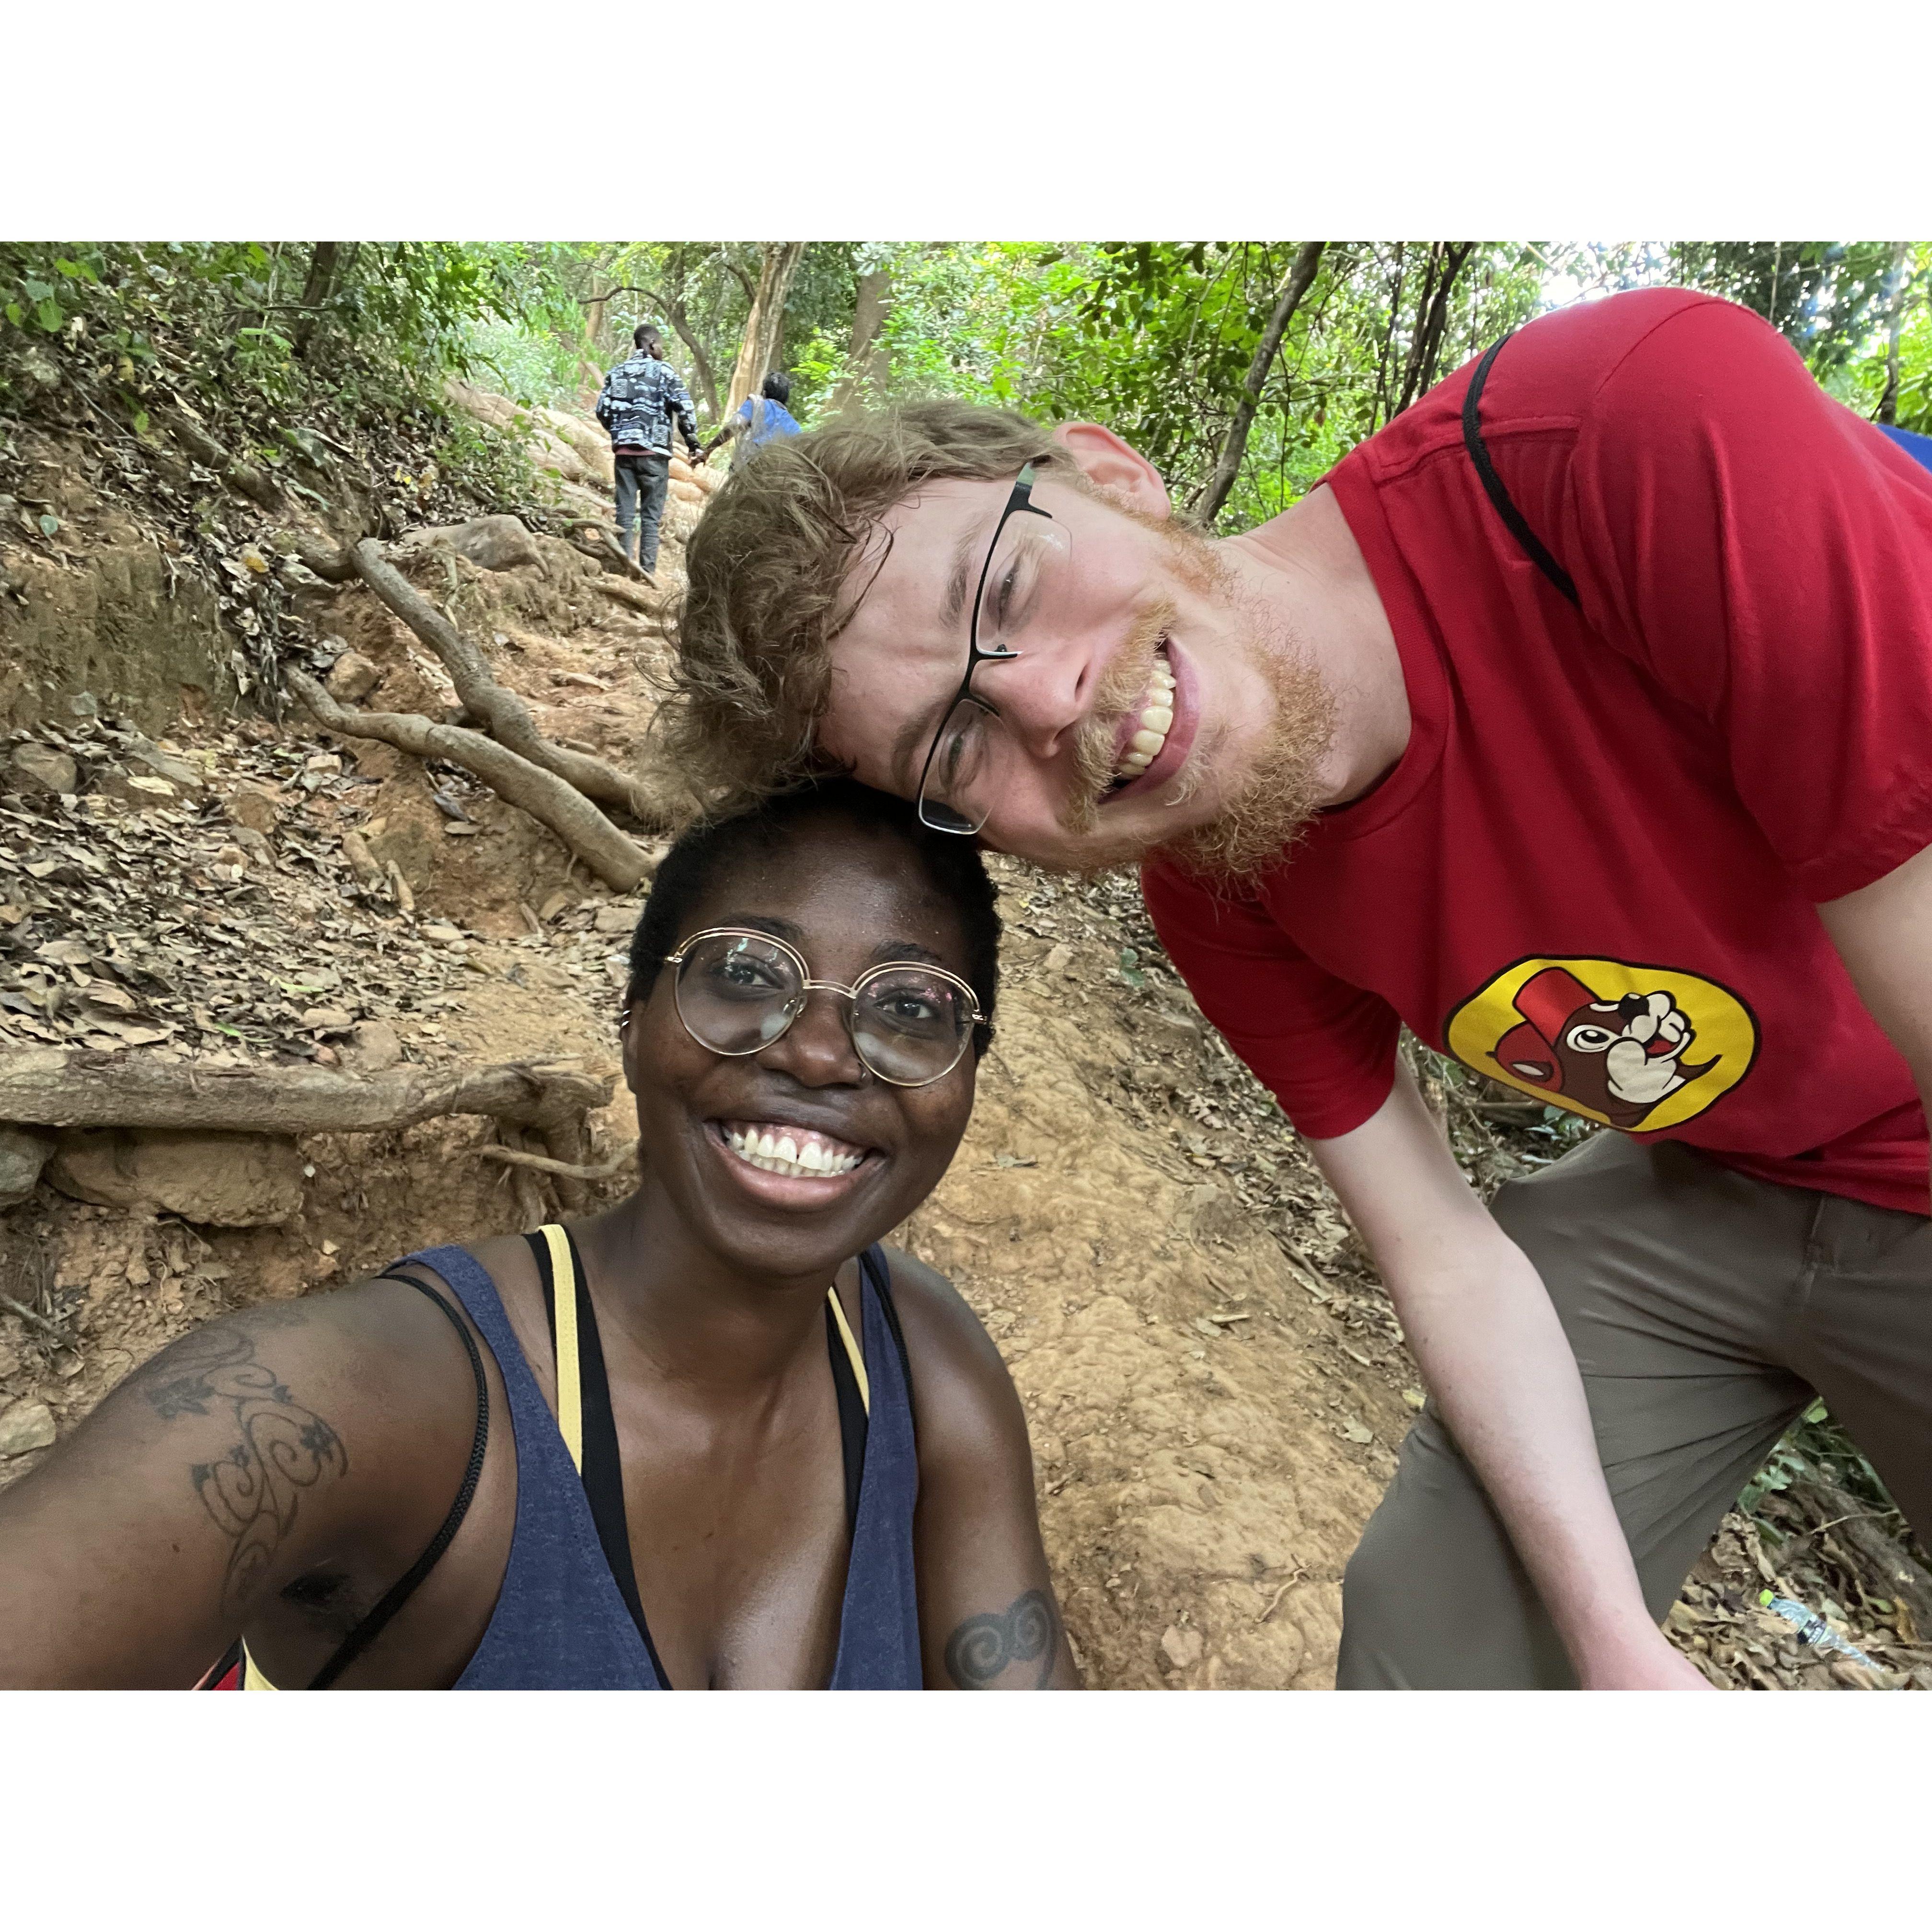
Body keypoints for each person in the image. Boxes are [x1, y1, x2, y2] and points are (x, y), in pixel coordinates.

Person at [663, 288, 1932, 1690]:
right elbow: (1438, 1246)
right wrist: (1616, 1645)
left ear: (1112, 475)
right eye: (956, 743)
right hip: (1714, 1168)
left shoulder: (1619, 428)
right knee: (1437, 1647)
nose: (1052, 702)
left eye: (1007, 593)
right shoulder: (1216, 882)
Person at [0, 780, 1078, 1690]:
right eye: (747, 974)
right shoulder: (372, 1401)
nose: (819, 1054)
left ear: (969, 1078)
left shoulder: (923, 1356)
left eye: (911, 1009)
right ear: (633, 1018)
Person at [595, 323, 703, 576]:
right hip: (655, 456)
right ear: (652, 345)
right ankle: (647, 573)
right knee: (650, 518)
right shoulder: (664, 372)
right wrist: (693, 445)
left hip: (624, 455)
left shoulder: (617, 373)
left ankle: (624, 569)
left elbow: (602, 411)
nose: (662, 350)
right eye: (661, 345)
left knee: (624, 512)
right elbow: (685, 409)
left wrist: (619, 433)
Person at [701, 370, 803, 466]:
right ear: (786, 398)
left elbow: (735, 426)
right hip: (777, 477)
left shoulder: (757, 404)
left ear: (764, 393)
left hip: (748, 470)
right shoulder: (796, 428)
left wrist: (708, 452)